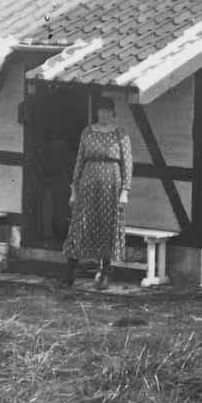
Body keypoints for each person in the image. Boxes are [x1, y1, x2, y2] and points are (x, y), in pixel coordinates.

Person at [62, 92, 134, 289]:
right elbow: (79, 161)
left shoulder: (121, 134)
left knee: (107, 225)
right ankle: (70, 271)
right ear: (97, 113)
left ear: (113, 113)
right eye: (101, 111)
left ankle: (105, 272)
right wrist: (74, 190)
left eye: (108, 111)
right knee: (81, 223)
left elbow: (127, 164)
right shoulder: (87, 132)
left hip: (112, 185)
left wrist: (125, 190)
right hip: (88, 184)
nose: (104, 115)